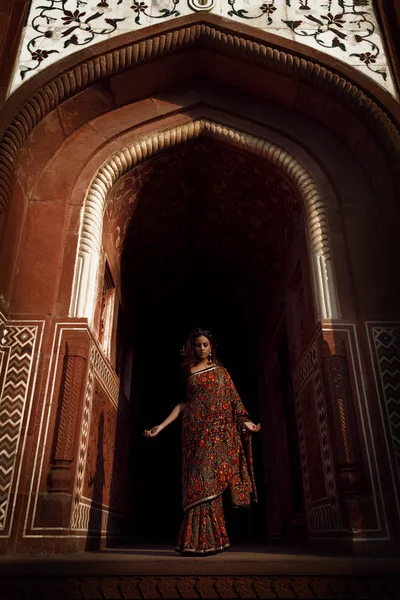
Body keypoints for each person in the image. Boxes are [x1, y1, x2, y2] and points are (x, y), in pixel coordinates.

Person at [144, 328, 261, 555]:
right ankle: (195, 541)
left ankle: (211, 539)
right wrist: (161, 425)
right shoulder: (188, 371)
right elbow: (183, 405)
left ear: (211, 347)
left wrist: (246, 423)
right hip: (193, 435)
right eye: (197, 345)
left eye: (205, 344)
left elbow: (234, 403)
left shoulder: (221, 373)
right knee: (196, 483)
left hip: (216, 435)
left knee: (209, 481)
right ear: (193, 347)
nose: (201, 348)